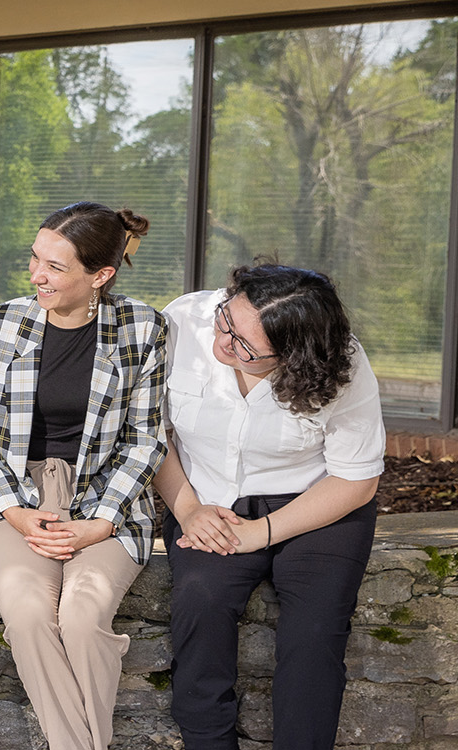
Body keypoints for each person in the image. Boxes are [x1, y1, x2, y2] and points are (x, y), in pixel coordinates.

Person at [157, 264, 385, 750]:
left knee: (315, 631)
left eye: (243, 346)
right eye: (226, 322)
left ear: (293, 357)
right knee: (201, 598)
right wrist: (189, 510)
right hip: (205, 496)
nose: (222, 344)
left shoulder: (341, 364)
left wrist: (259, 533)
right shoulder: (185, 319)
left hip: (315, 503)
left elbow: (356, 478)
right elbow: (150, 435)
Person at [0, 203, 164, 750]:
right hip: (17, 496)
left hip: (107, 498)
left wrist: (100, 524)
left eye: (55, 267)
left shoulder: (143, 327)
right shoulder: (1, 324)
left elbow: (147, 439)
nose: (35, 275)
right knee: (29, 614)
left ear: (100, 276)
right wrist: (13, 510)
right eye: (35, 258)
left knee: (81, 618)